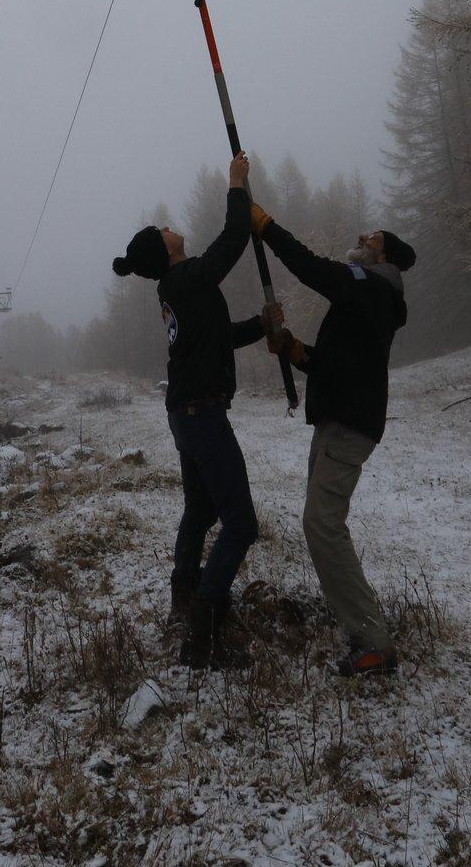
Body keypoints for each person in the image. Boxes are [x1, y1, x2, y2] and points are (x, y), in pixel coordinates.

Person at [112, 152, 267, 668]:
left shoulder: (181, 288)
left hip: (188, 413)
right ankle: (204, 633)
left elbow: (219, 338)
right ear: (162, 247)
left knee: (201, 511)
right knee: (240, 523)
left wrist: (264, 325)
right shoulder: (185, 281)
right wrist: (237, 185)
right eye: (162, 227)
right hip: (200, 415)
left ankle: (185, 597)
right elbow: (233, 241)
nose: (168, 224)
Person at [254, 212, 415, 677]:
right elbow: (336, 364)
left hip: (349, 425)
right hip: (337, 421)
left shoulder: (376, 285)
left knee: (322, 525)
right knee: (320, 525)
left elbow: (313, 269)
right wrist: (294, 349)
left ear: (382, 255)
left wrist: (264, 225)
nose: (362, 236)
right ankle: (362, 628)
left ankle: (373, 641)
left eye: (373, 237)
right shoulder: (368, 296)